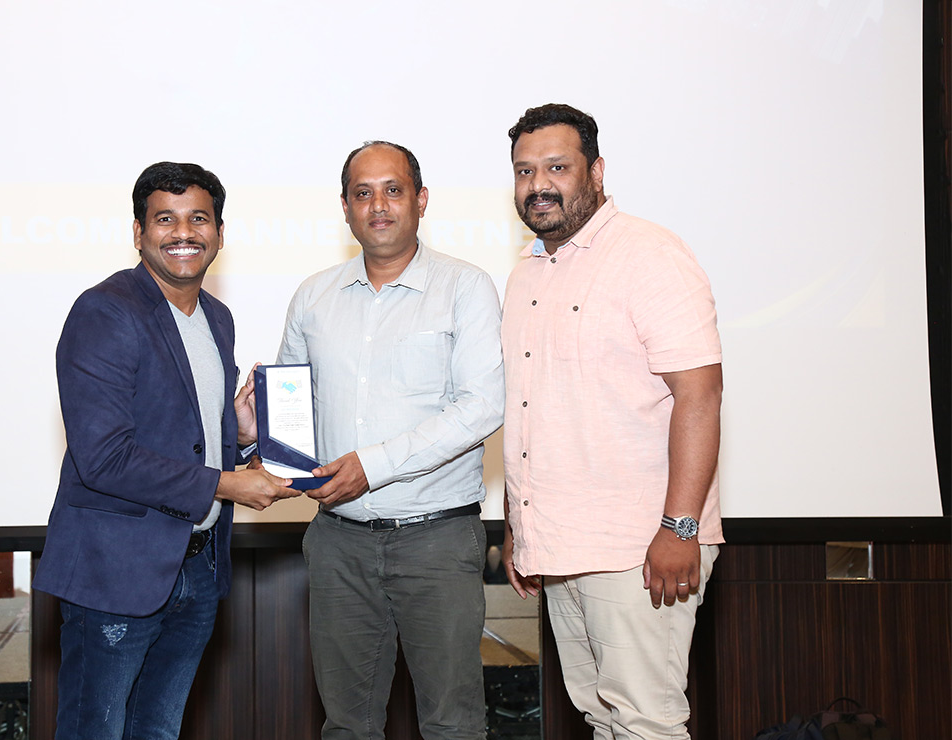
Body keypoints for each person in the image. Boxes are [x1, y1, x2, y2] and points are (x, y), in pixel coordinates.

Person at [33, 161, 298, 740]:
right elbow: (104, 457)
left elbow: (182, 433)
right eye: (165, 219)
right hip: (117, 573)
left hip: (198, 568)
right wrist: (227, 484)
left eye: (198, 219)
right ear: (138, 232)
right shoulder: (105, 311)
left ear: (219, 234)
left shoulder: (217, 317)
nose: (184, 232)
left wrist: (239, 436)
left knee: (158, 731)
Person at [500, 104, 724, 740]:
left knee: (645, 723)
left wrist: (680, 527)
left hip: (639, 548)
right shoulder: (525, 275)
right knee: (602, 718)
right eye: (524, 171)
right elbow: (531, 411)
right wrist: (521, 526)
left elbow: (700, 395)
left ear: (596, 172)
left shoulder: (649, 254)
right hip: (561, 546)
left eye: (557, 167)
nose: (539, 185)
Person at [274, 141, 504, 739]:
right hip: (338, 544)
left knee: (453, 725)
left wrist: (371, 466)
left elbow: (482, 406)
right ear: (345, 208)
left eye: (393, 190)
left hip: (437, 543)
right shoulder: (312, 297)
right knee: (346, 727)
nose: (378, 206)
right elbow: (291, 415)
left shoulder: (465, 287)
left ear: (421, 200)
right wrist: (258, 436)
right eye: (363, 193)